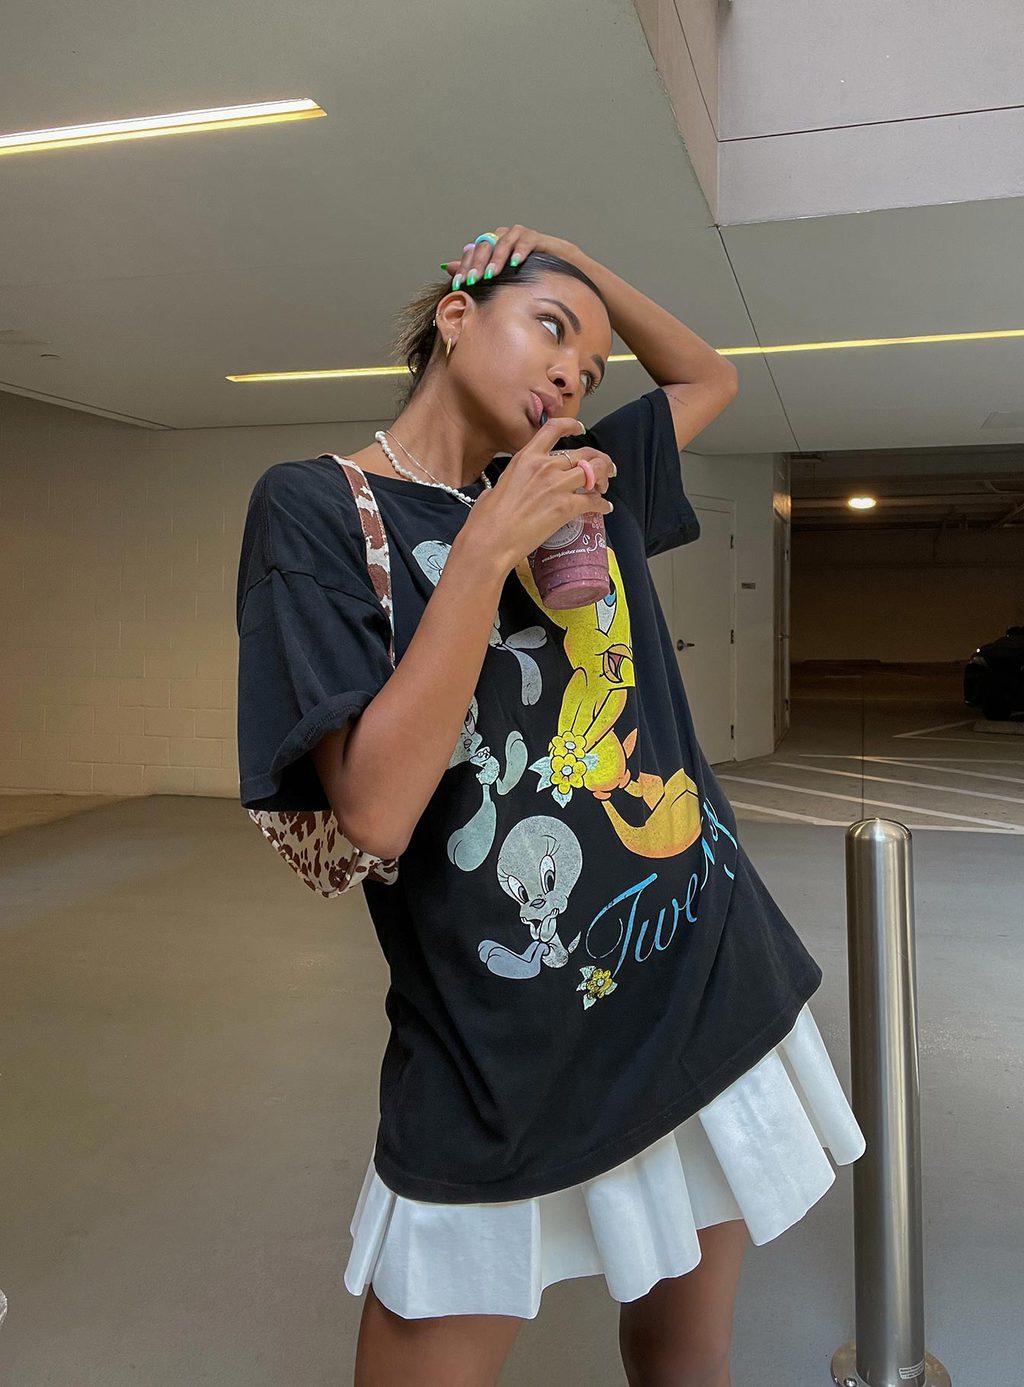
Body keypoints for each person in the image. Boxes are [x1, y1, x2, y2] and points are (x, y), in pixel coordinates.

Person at [235, 226, 866, 1387]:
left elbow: (706, 378)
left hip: (699, 973)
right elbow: (374, 812)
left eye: (591, 362)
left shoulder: (588, 475)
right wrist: (484, 547)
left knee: (685, 1354)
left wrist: (574, 261)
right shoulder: (318, 509)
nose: (575, 371)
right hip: (503, 1041)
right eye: (549, 328)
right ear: (456, 316)